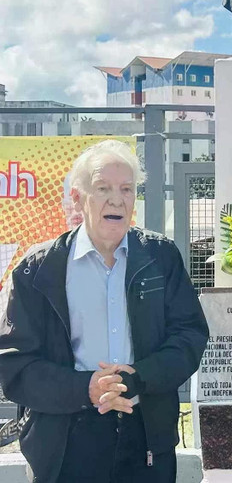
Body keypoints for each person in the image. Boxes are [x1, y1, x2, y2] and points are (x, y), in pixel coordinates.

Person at [0, 140, 209, 483]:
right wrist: (87, 388)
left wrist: (138, 377)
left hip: (147, 437)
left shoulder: (161, 257)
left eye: (127, 189)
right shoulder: (38, 269)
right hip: (65, 441)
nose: (117, 199)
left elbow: (189, 337)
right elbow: (15, 364)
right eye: (103, 188)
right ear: (78, 198)